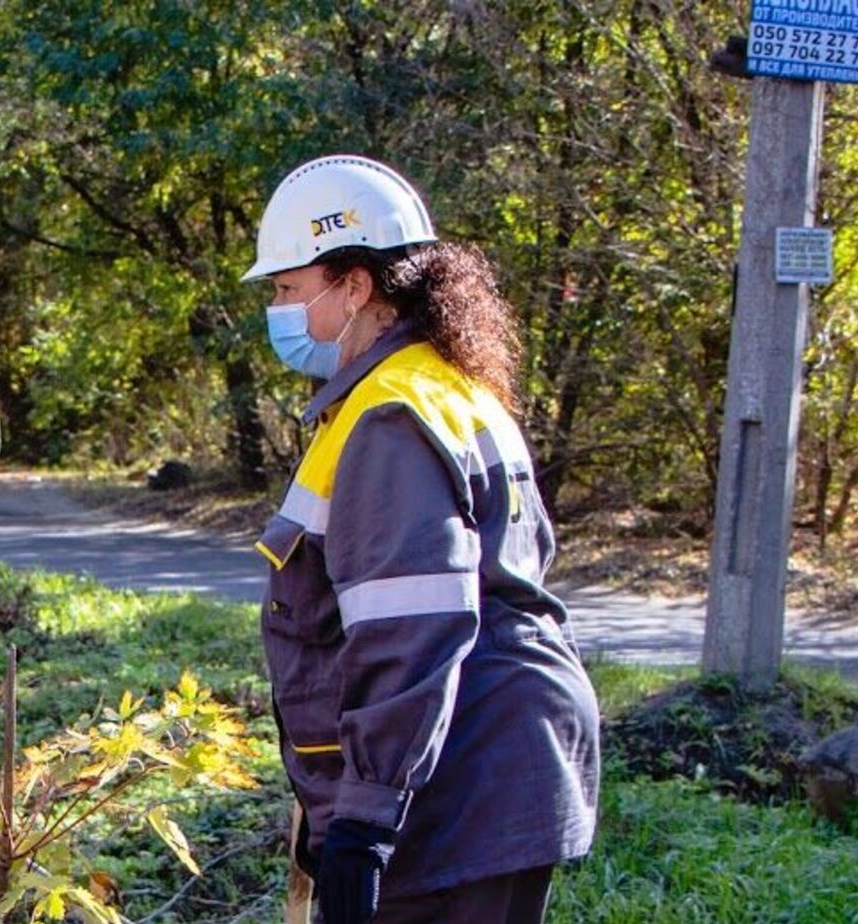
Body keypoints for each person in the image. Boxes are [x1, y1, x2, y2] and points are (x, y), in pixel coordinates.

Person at [243, 156, 600, 924]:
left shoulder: (390, 417)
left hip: (457, 780)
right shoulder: (447, 385)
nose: (278, 310)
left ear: (356, 286)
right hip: (498, 761)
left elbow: (413, 627)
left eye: (287, 289)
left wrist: (365, 822)